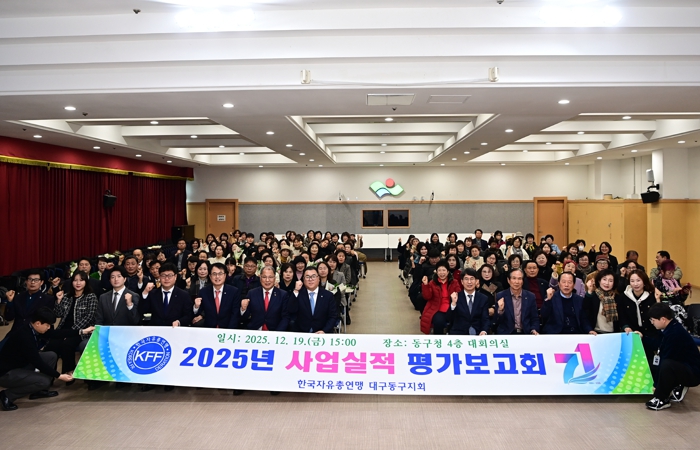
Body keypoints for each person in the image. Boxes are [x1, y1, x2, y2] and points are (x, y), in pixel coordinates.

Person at [0, 307, 76, 411]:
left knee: (51, 356)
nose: (49, 328)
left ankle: (40, 391)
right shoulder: (24, 336)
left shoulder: (33, 329)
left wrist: (82, 331)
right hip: (6, 373)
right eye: (47, 325)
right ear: (38, 323)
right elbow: (37, 362)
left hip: (22, 363)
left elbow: (57, 334)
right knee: (43, 381)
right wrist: (59, 376)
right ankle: (7, 395)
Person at [644, 302, 700, 411]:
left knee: (666, 365)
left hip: (693, 373)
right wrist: (643, 338)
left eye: (653, 320)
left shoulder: (675, 334)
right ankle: (675, 386)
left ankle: (662, 399)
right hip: (682, 366)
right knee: (653, 364)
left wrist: (657, 386)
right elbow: (659, 345)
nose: (652, 323)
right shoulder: (669, 328)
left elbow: (666, 358)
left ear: (663, 319)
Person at [44, 271, 98, 377]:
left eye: (81, 280)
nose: (78, 283)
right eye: (75, 280)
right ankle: (50, 375)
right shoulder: (67, 296)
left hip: (81, 331)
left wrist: (71, 331)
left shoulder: (91, 297)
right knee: (52, 345)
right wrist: (58, 301)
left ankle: (69, 372)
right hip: (63, 329)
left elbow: (90, 317)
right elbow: (58, 314)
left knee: (67, 344)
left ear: (86, 282)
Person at [618, 269, 660, 364]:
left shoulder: (652, 296)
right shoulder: (623, 297)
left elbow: (659, 315)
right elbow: (622, 316)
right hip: (632, 334)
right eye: (632, 281)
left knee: (650, 362)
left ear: (644, 281)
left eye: (638, 280)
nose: (635, 284)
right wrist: (626, 327)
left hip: (650, 334)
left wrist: (658, 300)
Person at [240, 266, 291, 332]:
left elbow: (285, 317)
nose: (267, 280)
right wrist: (243, 309)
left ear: (274, 278)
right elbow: (244, 318)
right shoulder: (252, 293)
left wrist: (277, 333)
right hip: (255, 332)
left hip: (274, 332)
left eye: (270, 277)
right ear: (260, 278)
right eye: (264, 277)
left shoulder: (283, 295)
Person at [192, 262, 242, 329]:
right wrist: (196, 307)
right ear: (210, 276)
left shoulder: (234, 292)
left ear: (225, 275)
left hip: (227, 329)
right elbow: (199, 313)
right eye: (214, 274)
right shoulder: (203, 292)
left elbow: (235, 314)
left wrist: (229, 331)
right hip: (209, 329)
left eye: (220, 274)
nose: (217, 276)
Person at [420, 260, 461, 335]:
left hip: (452, 308)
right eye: (439, 270)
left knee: (458, 321)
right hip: (438, 309)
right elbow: (427, 297)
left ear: (448, 272)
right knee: (438, 322)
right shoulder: (432, 283)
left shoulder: (454, 282)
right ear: (436, 272)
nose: (442, 273)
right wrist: (425, 285)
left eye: (444, 270)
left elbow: (459, 294)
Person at [291, 267, 338, 334]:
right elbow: (291, 311)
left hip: (323, 333)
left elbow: (333, 316)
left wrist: (324, 331)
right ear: (303, 280)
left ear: (318, 279)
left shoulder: (328, 296)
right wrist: (296, 290)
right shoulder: (298, 294)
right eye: (307, 277)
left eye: (313, 276)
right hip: (302, 333)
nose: (310, 279)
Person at [495, 269, 540, 335]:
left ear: (522, 281)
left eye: (519, 279)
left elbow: (534, 318)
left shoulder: (530, 296)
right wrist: (500, 310)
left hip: (526, 333)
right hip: (507, 333)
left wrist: (534, 329)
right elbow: (497, 321)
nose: (517, 282)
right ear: (508, 280)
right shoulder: (501, 296)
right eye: (514, 278)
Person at [447, 269, 490, 336]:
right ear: (462, 282)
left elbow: (485, 318)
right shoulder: (456, 296)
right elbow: (449, 319)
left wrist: (484, 331)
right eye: (466, 279)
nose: (469, 282)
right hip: (459, 333)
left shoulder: (483, 298)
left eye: (472, 279)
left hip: (478, 333)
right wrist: (453, 304)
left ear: (476, 281)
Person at [583, 269, 621, 334]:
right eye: (604, 279)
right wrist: (589, 330)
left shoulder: (618, 298)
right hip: (596, 333)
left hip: (614, 334)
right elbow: (585, 314)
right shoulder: (593, 296)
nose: (607, 283)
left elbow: (622, 317)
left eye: (610, 281)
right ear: (599, 281)